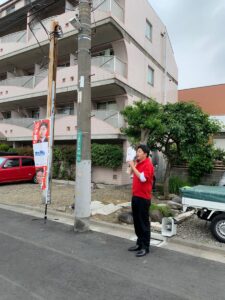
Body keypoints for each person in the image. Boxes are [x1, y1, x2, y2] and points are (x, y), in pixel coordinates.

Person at [127, 144, 154, 257]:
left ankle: (145, 247)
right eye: (137, 151)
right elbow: (129, 173)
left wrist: (133, 166)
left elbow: (143, 178)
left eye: (139, 151)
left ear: (145, 154)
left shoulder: (148, 164)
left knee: (143, 223)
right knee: (137, 223)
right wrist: (132, 163)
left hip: (143, 198)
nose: (137, 153)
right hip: (136, 196)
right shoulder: (138, 163)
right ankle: (139, 243)